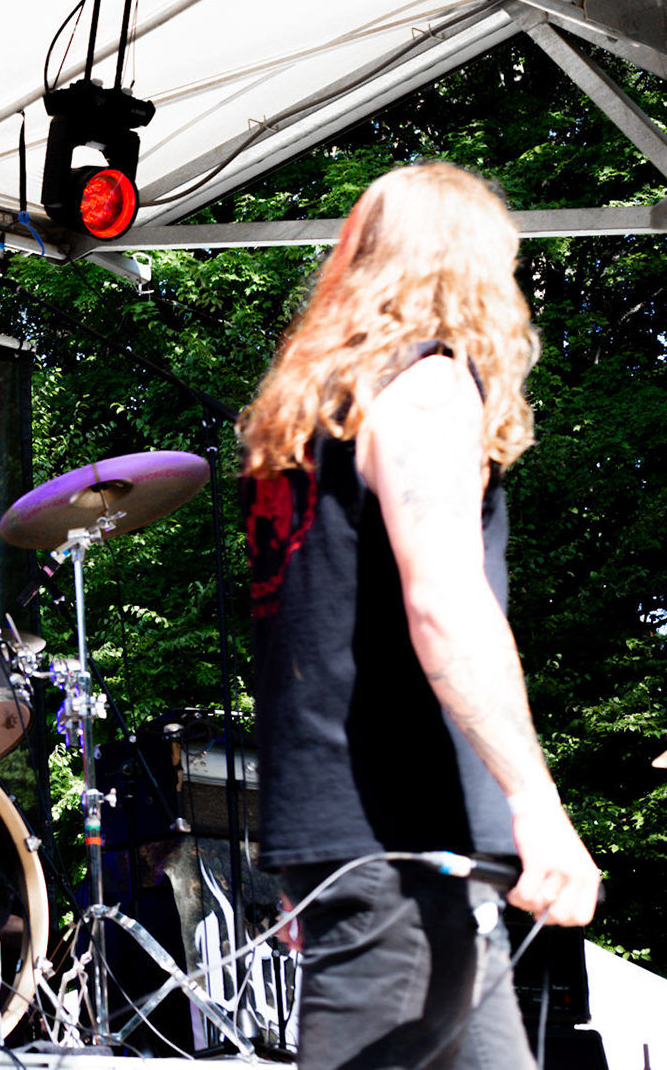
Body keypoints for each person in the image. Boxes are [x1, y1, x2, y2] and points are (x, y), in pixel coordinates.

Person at [238, 163, 599, 1070]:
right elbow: (444, 605)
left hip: (375, 842)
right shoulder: (429, 392)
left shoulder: (314, 428)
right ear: (470, 267)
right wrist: (536, 803)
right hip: (402, 840)